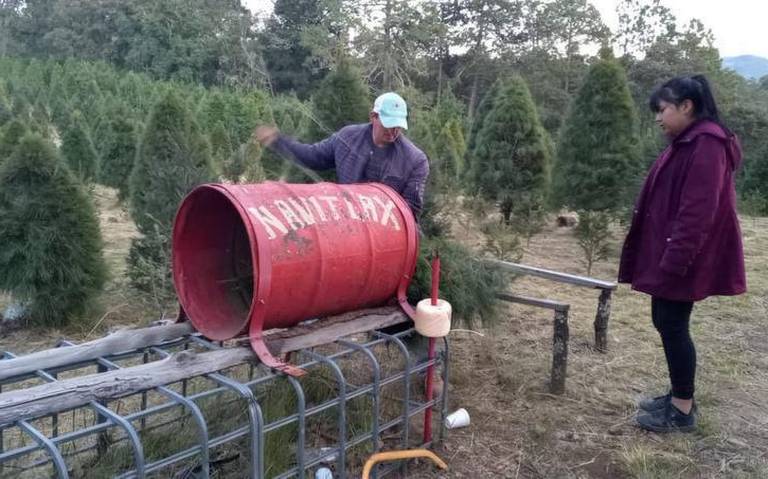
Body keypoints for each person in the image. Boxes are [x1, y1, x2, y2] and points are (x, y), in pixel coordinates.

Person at [618, 75, 746, 433]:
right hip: (673, 251)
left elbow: (697, 213)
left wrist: (675, 261)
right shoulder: (688, 141)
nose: (658, 118)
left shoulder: (707, 144)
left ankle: (682, 410)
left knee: (672, 323)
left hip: (684, 256)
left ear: (686, 106)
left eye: (662, 110)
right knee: (666, 321)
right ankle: (678, 395)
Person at [254, 92, 429, 218]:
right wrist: (278, 141)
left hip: (386, 232)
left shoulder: (415, 160)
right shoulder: (348, 138)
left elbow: (410, 209)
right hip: (346, 221)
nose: (393, 131)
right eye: (388, 124)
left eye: (398, 126)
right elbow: (312, 156)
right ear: (373, 117)